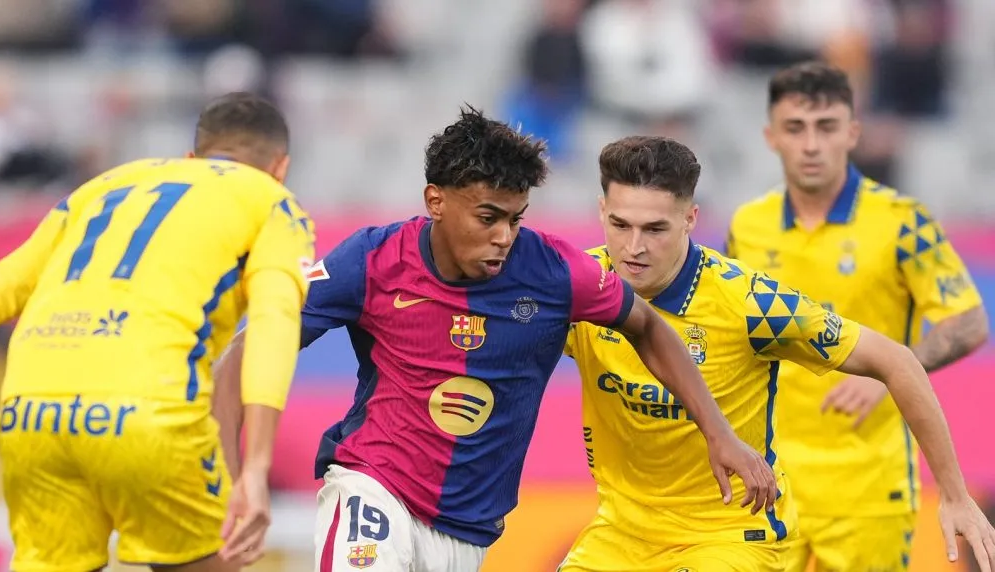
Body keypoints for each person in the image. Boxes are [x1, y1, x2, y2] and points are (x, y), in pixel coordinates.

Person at [212, 106, 778, 572]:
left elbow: (649, 327)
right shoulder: (369, 259)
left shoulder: (556, 271)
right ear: (436, 201)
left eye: (516, 218)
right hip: (373, 484)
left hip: (468, 531)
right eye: (488, 217)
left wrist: (718, 431)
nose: (504, 236)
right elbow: (258, 341)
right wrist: (235, 474)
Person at [557, 135, 995, 572]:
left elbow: (897, 360)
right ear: (601, 212)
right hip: (620, 534)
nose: (634, 247)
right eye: (620, 225)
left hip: (731, 536)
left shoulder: (752, 304)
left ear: (690, 219)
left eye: (655, 229)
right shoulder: (578, 289)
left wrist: (955, 495)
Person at [0, 92, 314, 571]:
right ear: (280, 167)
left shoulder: (102, 187)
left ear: (191, 157)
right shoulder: (272, 202)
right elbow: (274, 320)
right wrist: (255, 467)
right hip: (147, 417)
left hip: (31, 417)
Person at [727, 61, 991, 571]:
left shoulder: (901, 222)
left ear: (852, 133)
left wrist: (893, 371)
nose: (811, 145)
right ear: (770, 136)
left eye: (826, 127)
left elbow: (969, 321)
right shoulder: (748, 225)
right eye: (795, 128)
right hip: (770, 480)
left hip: (868, 488)